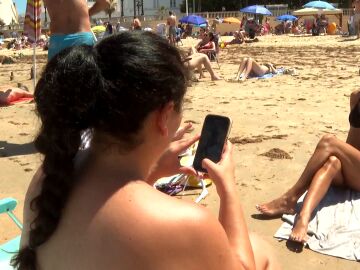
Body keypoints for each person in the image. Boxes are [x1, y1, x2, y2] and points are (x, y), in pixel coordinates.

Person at [11, 31, 279, 270]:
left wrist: (149, 172)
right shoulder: (187, 223)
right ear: (164, 116)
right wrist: (227, 187)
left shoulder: (50, 177)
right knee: (262, 251)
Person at [257, 90, 360, 243]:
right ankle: (303, 216)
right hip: (355, 170)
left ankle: (290, 198)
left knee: (328, 141)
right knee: (332, 161)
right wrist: (344, 159)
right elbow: (352, 139)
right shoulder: (356, 97)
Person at [44, 0, 110, 60]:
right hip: (82, 37)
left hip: (57, 40)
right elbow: (105, 3)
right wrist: (85, 14)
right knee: (85, 72)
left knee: (56, 72)